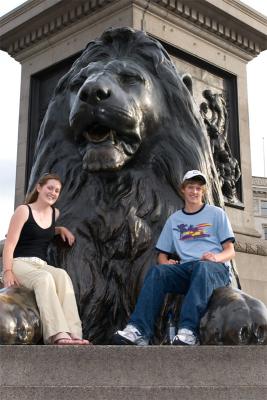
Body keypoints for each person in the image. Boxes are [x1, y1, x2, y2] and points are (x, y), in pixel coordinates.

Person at [113, 170, 235, 345]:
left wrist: (215, 258)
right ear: (183, 190)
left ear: (203, 192)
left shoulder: (216, 214)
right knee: (158, 272)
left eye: (198, 188)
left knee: (202, 267)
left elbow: (230, 251)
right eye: (191, 187)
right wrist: (165, 264)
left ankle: (188, 331)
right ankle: (138, 330)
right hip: (187, 269)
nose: (194, 192)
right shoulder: (174, 220)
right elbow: (161, 256)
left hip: (215, 269)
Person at [2, 173, 90, 345]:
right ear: (39, 188)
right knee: (45, 279)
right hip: (20, 263)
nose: (53, 192)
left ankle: (74, 333)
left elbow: (44, 229)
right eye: (50, 188)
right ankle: (57, 334)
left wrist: (60, 229)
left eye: (57, 190)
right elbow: (9, 244)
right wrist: (7, 271)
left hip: (41, 264)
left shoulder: (54, 213)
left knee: (62, 276)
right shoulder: (23, 211)